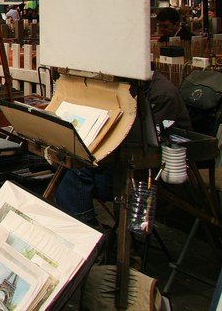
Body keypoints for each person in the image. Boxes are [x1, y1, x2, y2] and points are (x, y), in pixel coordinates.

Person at [55, 70, 191, 227]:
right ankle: (83, 225)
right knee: (74, 165)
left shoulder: (162, 94)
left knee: (78, 170)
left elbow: (148, 141)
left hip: (154, 169)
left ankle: (85, 227)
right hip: (129, 160)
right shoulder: (132, 85)